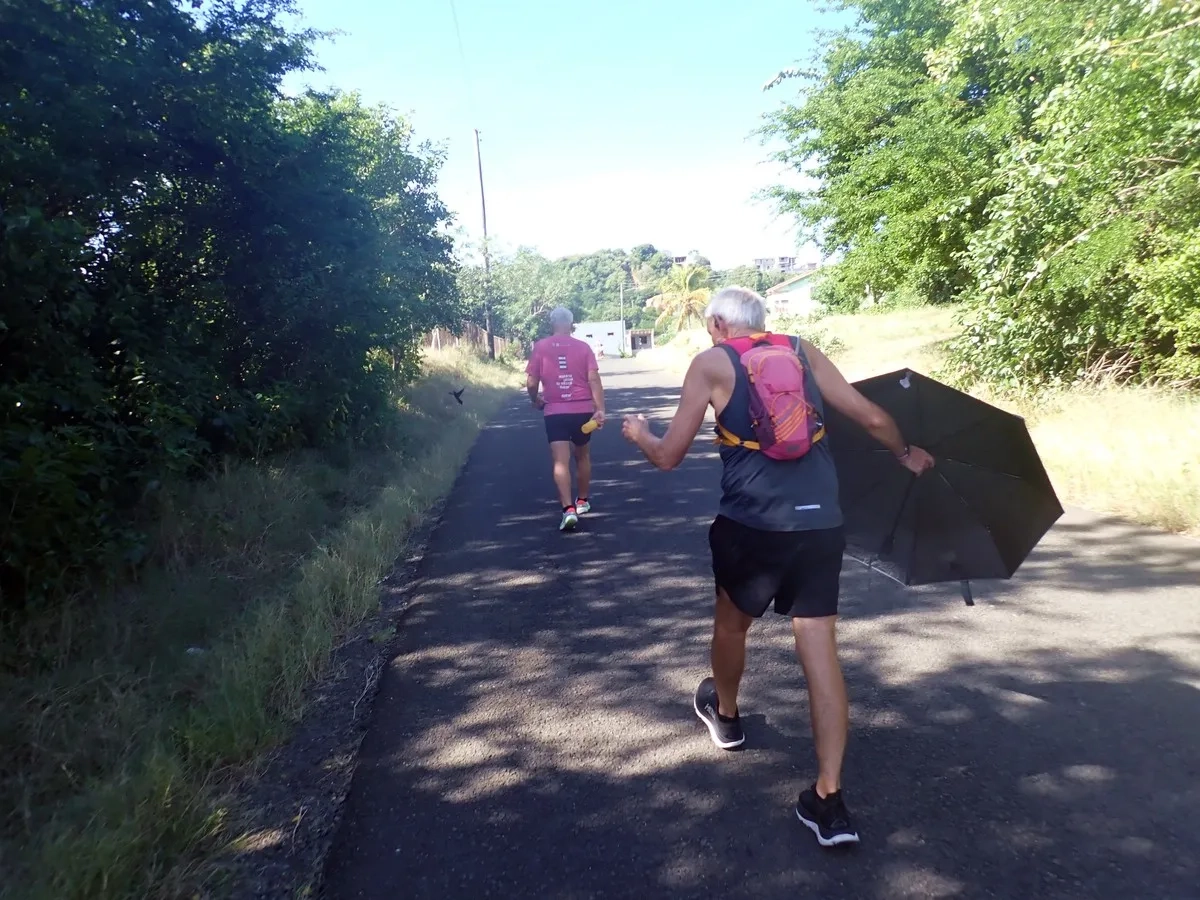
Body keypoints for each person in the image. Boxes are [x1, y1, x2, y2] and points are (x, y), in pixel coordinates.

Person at [621, 286, 934, 847]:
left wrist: (639, 433)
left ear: (718, 323)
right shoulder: (804, 350)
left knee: (731, 623)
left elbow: (668, 456)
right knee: (820, 649)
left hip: (751, 527)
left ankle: (728, 714)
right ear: (762, 323)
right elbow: (868, 416)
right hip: (820, 526)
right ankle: (829, 799)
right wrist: (904, 454)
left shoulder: (711, 364)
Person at [526, 307, 606, 531]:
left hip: (555, 412)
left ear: (552, 323)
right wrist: (600, 408)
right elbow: (594, 379)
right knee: (582, 455)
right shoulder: (583, 347)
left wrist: (535, 399)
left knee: (560, 461)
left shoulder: (541, 347)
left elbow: (531, 382)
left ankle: (568, 510)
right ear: (571, 324)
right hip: (582, 411)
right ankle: (582, 501)